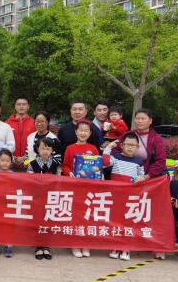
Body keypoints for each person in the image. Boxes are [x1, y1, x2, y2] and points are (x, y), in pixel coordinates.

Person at [103, 133, 145, 261]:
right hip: (116, 196)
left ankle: (126, 248)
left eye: (133, 145)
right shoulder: (115, 157)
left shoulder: (139, 162)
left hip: (130, 198)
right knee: (115, 221)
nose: (130, 147)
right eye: (128, 144)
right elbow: (105, 162)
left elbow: (142, 177)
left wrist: (140, 178)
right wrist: (109, 147)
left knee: (128, 222)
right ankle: (115, 246)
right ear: (122, 145)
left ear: (137, 147)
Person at [61, 120, 99, 259]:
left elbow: (97, 165)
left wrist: (98, 173)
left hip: (89, 188)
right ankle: (75, 244)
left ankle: (86, 244)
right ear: (76, 132)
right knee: (75, 215)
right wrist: (69, 172)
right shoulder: (70, 148)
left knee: (88, 216)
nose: (83, 133)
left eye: (86, 131)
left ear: (90, 133)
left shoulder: (93, 148)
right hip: (74, 187)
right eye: (81, 130)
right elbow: (65, 165)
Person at [27, 138, 59, 260]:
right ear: (37, 149)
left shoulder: (55, 164)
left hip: (51, 198)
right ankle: (38, 246)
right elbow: (27, 181)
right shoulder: (32, 164)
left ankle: (46, 246)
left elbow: (59, 180)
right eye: (43, 148)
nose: (45, 151)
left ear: (52, 150)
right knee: (37, 221)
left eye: (48, 149)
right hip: (37, 198)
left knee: (48, 221)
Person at [113, 108, 166, 180]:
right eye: (137, 118)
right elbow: (114, 149)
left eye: (143, 118)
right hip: (124, 174)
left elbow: (161, 161)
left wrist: (146, 176)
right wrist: (122, 159)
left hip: (146, 177)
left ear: (150, 121)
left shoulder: (156, 139)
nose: (140, 121)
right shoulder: (127, 135)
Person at [5, 97, 36, 167]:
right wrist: (13, 158)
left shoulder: (34, 123)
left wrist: (25, 158)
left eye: (24, 104)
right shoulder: (7, 123)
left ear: (28, 106)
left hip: (29, 164)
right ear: (15, 106)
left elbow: (37, 143)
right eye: (19, 104)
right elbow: (4, 143)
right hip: (10, 164)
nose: (21, 106)